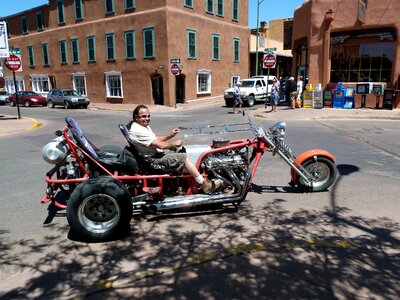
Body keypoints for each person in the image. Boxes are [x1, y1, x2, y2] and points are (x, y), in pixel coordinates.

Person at [128, 104, 222, 194]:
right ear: (136, 117)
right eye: (143, 116)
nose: (147, 118)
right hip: (153, 159)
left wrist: (171, 135)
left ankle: (184, 179)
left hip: (153, 154)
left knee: (180, 149)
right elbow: (160, 145)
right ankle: (204, 184)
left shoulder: (141, 126)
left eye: (148, 116)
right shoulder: (138, 130)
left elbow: (155, 139)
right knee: (183, 157)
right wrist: (174, 143)